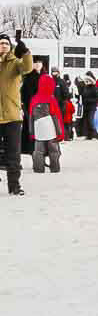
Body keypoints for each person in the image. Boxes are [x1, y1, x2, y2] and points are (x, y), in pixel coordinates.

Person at [1, 32, 35, 195]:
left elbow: (27, 68)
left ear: (10, 47)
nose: (3, 46)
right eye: (1, 43)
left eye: (6, 44)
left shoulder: (15, 63)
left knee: (13, 153)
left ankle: (14, 186)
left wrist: (26, 52)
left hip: (12, 116)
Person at [28, 70, 63, 174]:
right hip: (51, 128)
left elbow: (31, 117)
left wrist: (31, 132)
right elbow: (56, 116)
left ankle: (38, 169)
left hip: (38, 128)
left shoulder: (34, 99)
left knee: (38, 150)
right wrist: (60, 132)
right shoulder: (51, 99)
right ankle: (55, 168)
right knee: (53, 150)